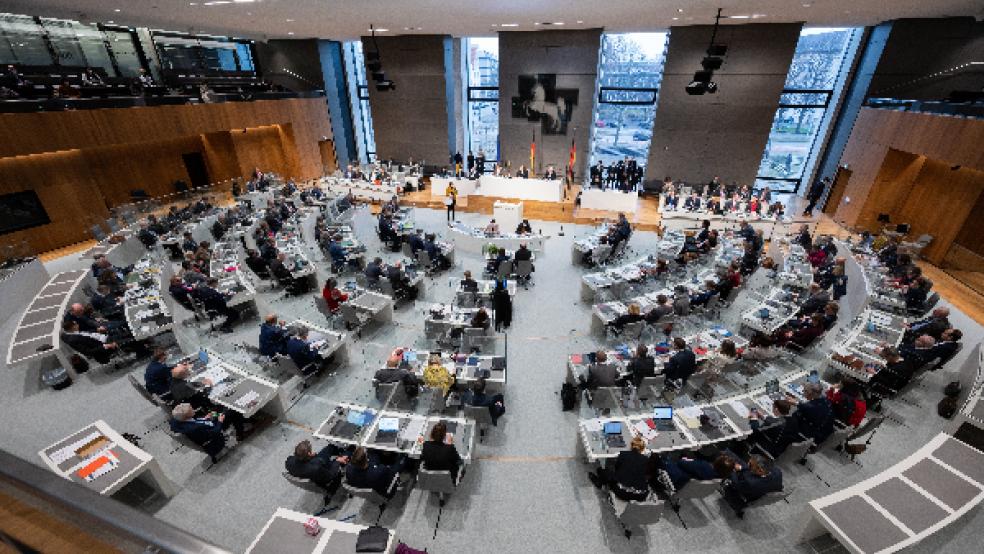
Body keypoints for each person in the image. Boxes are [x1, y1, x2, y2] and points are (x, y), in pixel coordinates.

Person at [587, 436, 650, 501]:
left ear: (631, 446)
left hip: (622, 492)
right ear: (642, 449)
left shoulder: (624, 454)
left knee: (605, 472)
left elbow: (617, 469)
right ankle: (602, 476)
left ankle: (599, 482)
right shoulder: (646, 460)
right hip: (641, 495)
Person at [285, 440, 349, 491]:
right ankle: (349, 453)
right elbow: (331, 475)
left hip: (310, 465)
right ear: (309, 454)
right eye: (311, 450)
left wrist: (312, 457)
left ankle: (341, 450)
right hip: (324, 475)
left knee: (330, 447)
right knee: (347, 453)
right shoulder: (316, 468)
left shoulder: (289, 461)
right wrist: (337, 461)